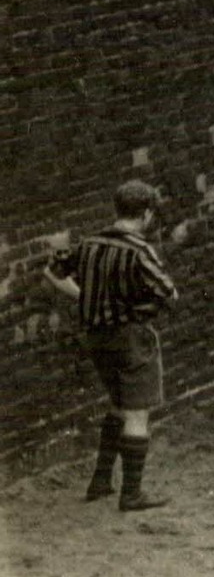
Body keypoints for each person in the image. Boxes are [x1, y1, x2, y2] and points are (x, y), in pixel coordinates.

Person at [42, 180, 178, 512]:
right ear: (146, 214)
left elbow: (52, 270)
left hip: (95, 337)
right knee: (137, 413)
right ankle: (131, 494)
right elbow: (168, 294)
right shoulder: (139, 250)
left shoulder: (88, 243)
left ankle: (100, 481)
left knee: (118, 404)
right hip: (129, 337)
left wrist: (83, 295)